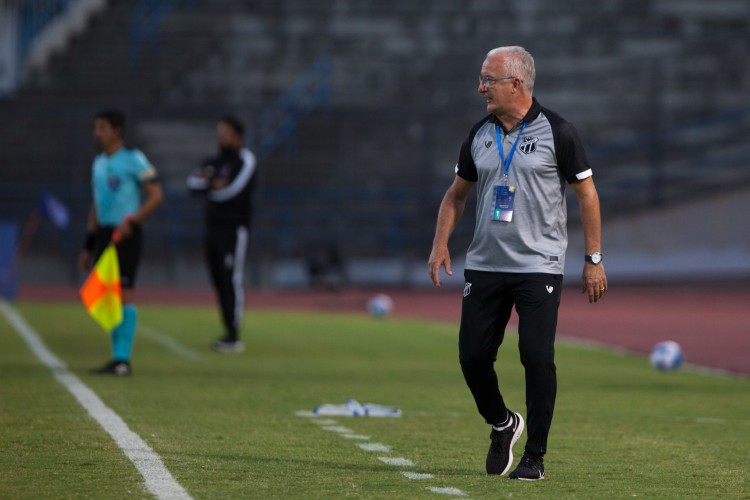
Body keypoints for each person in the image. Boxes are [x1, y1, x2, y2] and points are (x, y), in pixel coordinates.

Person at [428, 46, 607, 480]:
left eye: (488, 79)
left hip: (539, 266)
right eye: (482, 78)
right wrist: (440, 244)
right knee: (472, 358)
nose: (481, 87)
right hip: (485, 264)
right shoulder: (479, 134)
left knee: (536, 356)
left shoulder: (559, 132)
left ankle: (535, 456)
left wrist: (593, 259)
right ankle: (503, 424)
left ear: (516, 84)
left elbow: (587, 195)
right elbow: (456, 194)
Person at [80, 108, 164, 376]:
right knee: (107, 296)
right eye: (96, 127)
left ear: (118, 131)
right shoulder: (99, 163)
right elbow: (96, 204)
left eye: (102, 127)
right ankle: (117, 358)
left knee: (125, 293)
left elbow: (156, 195)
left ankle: (122, 360)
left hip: (126, 234)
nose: (97, 133)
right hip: (104, 233)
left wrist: (132, 221)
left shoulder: (133, 159)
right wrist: (88, 243)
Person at [186, 116, 258, 353]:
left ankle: (233, 333)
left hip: (234, 230)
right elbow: (192, 184)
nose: (221, 137)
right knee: (217, 280)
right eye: (219, 132)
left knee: (231, 278)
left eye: (225, 132)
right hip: (212, 228)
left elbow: (232, 192)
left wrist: (210, 188)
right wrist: (211, 186)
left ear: (238, 136)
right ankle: (226, 329)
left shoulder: (245, 160)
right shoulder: (213, 162)